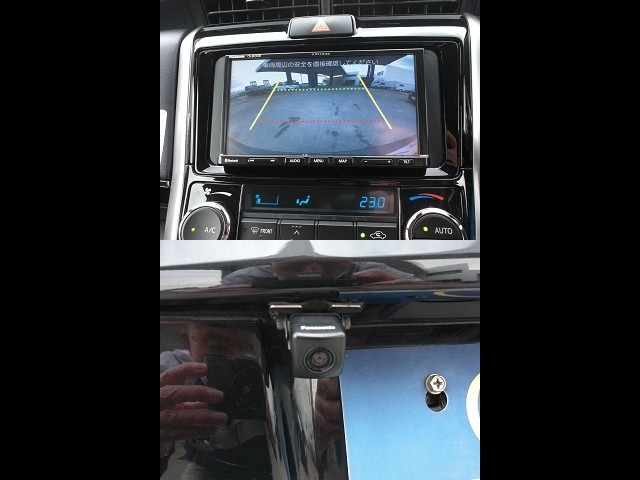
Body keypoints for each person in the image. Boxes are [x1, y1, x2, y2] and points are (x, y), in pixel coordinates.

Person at [160, 323, 269, 479]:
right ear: (187, 342)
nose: (234, 361)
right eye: (219, 348)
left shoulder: (285, 376)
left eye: (250, 350)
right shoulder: (172, 372)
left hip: (267, 465)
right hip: (206, 462)